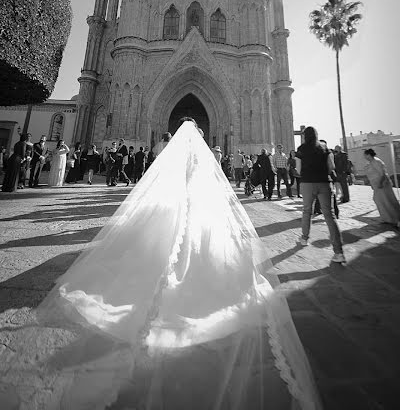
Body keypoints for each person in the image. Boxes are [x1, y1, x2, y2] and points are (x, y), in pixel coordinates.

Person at [17, 118, 322, 410]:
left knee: (165, 244)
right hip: (198, 205)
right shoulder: (203, 160)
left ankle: (163, 283)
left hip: (176, 206)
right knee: (198, 243)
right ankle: (194, 281)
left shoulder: (175, 158)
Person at [296, 126, 345, 263]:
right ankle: (339, 252)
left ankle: (304, 238)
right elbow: (331, 167)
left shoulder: (301, 149)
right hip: (324, 183)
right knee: (329, 215)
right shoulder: (325, 148)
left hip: (307, 183)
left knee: (307, 211)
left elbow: (298, 170)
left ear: (305, 136)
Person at [364, 148, 400, 227]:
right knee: (380, 201)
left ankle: (393, 218)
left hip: (382, 184)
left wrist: (380, 183)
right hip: (376, 185)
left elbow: (382, 173)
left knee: (386, 201)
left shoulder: (376, 161)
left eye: (365, 155)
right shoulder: (371, 162)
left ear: (369, 155)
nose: (365, 157)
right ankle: (387, 218)